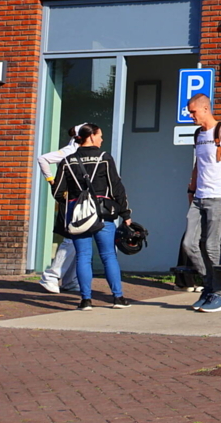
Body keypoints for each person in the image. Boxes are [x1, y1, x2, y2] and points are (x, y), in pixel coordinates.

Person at [50, 124, 132, 310]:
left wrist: (74, 201)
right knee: (109, 256)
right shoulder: (104, 158)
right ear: (92, 136)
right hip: (102, 215)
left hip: (78, 216)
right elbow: (117, 187)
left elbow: (57, 192)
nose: (102, 139)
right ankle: (117, 298)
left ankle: (85, 300)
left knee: (83, 257)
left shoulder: (67, 161)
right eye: (100, 135)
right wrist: (125, 213)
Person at [183, 93, 221, 313]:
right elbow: (198, 164)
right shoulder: (199, 134)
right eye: (190, 112)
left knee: (211, 246)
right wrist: (191, 189)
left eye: (193, 112)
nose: (191, 116)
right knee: (189, 243)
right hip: (199, 198)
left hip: (218, 198)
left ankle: (219, 293)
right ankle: (210, 284)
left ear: (205, 109)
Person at [36, 123, 86, 294]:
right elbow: (43, 158)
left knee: (78, 240)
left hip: (80, 200)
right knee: (72, 239)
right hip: (69, 200)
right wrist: (52, 181)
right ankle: (50, 276)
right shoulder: (68, 151)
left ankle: (69, 281)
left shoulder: (80, 152)